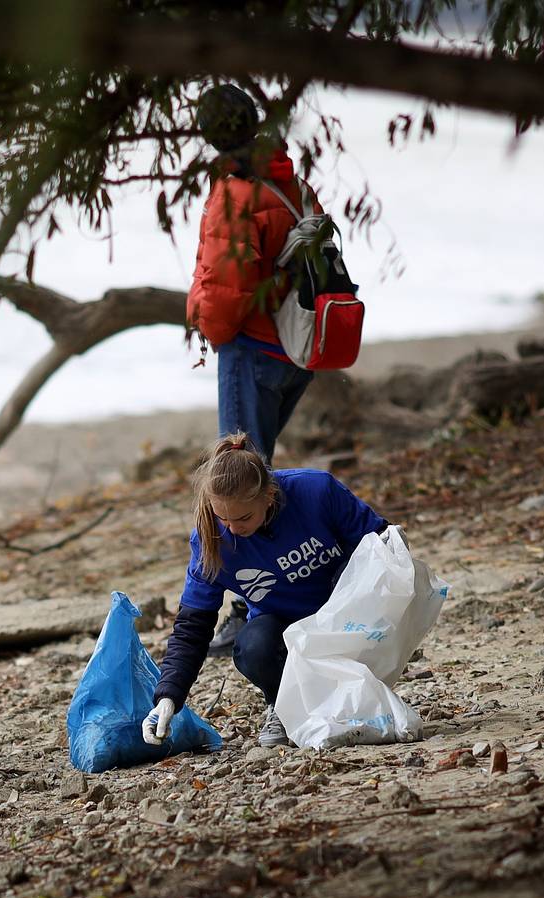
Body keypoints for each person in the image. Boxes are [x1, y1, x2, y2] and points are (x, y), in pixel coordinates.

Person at [187, 83, 331, 658]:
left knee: (243, 473)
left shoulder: (235, 193)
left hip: (253, 346)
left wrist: (206, 324)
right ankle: (271, 599)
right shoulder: (290, 180)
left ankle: (249, 609)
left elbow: (227, 292)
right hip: (297, 349)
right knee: (260, 470)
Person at [141, 434, 387, 750]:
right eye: (223, 517)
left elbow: (378, 543)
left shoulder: (316, 490)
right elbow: (192, 626)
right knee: (251, 646)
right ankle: (282, 704)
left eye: (243, 517)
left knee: (360, 570)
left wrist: (394, 554)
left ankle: (357, 689)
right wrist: (168, 698)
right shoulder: (211, 540)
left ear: (268, 496)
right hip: (281, 627)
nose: (233, 529)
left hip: (344, 615)